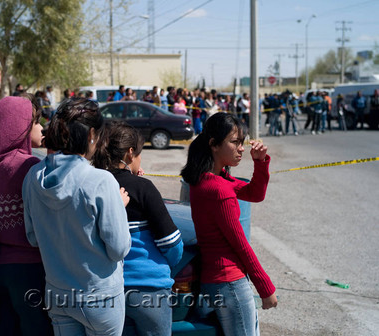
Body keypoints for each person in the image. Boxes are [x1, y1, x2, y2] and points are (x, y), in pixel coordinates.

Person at [22, 98, 131, 336]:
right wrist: (118, 209)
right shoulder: (101, 181)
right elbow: (119, 249)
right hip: (100, 295)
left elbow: (33, 238)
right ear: (92, 134)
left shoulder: (32, 176)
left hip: (58, 294)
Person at [180, 113, 277, 336]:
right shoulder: (218, 190)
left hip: (216, 281)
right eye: (234, 142)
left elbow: (255, 194)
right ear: (213, 144)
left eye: (241, 142)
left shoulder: (207, 180)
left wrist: (260, 162)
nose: (241, 148)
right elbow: (240, 244)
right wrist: (265, 287)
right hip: (229, 283)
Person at [92, 121, 183, 336]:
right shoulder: (143, 188)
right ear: (131, 153)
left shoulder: (93, 185)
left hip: (107, 291)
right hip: (149, 289)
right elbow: (172, 245)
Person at [0, 96, 53, 336]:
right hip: (31, 267)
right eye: (35, 122)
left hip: (0, 267)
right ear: (18, 127)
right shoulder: (29, 165)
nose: (41, 128)